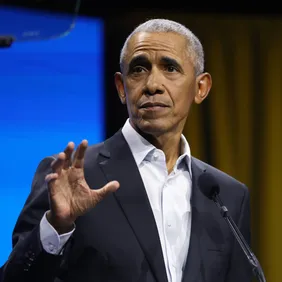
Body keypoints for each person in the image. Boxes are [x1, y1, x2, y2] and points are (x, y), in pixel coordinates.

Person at [1, 18, 252, 282]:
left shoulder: (227, 195)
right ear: (122, 88)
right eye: (139, 69)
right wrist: (56, 226)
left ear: (201, 88)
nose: (152, 84)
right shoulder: (70, 178)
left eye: (170, 68)